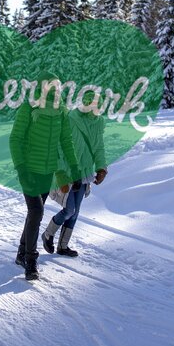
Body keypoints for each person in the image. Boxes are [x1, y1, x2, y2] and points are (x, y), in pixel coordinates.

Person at [9, 74, 79, 280]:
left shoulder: (61, 112)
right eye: (50, 86)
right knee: (37, 211)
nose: (54, 90)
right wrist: (21, 167)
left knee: (34, 214)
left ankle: (21, 252)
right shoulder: (29, 108)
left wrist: (74, 166)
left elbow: (66, 141)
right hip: (28, 170)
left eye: (57, 87)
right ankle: (31, 261)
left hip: (47, 172)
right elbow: (15, 139)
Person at [42, 103, 109, 257]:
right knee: (69, 209)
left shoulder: (98, 124)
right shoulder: (71, 119)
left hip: (84, 173)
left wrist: (101, 168)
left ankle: (63, 246)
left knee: (75, 212)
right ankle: (47, 234)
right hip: (68, 171)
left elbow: (99, 148)